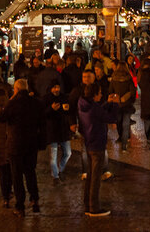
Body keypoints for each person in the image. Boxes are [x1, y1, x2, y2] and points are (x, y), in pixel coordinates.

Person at [2, 77, 44, 216]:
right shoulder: (36, 103)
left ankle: (20, 205)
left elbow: (2, 117)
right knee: (30, 172)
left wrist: (11, 99)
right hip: (31, 143)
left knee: (17, 176)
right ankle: (34, 199)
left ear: (16, 89)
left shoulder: (13, 103)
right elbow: (41, 123)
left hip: (15, 144)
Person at [78, 81, 120, 217]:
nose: (101, 94)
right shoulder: (94, 108)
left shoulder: (83, 103)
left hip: (89, 142)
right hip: (97, 145)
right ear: (95, 94)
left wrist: (107, 103)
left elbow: (98, 111)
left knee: (90, 176)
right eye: (100, 93)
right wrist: (115, 104)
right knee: (96, 178)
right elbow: (111, 118)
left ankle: (87, 204)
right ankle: (94, 208)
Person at [43, 79, 73, 183]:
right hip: (52, 130)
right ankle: (55, 176)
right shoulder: (46, 98)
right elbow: (43, 114)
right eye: (54, 87)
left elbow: (69, 110)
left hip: (63, 128)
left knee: (68, 152)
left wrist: (67, 108)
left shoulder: (63, 97)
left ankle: (60, 169)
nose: (57, 89)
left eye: (58, 87)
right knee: (53, 155)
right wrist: (51, 108)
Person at [108, 64, 137, 150]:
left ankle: (121, 137)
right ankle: (125, 140)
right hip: (127, 104)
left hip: (117, 105)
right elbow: (132, 92)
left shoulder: (114, 79)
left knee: (119, 122)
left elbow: (110, 91)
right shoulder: (129, 79)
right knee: (125, 122)